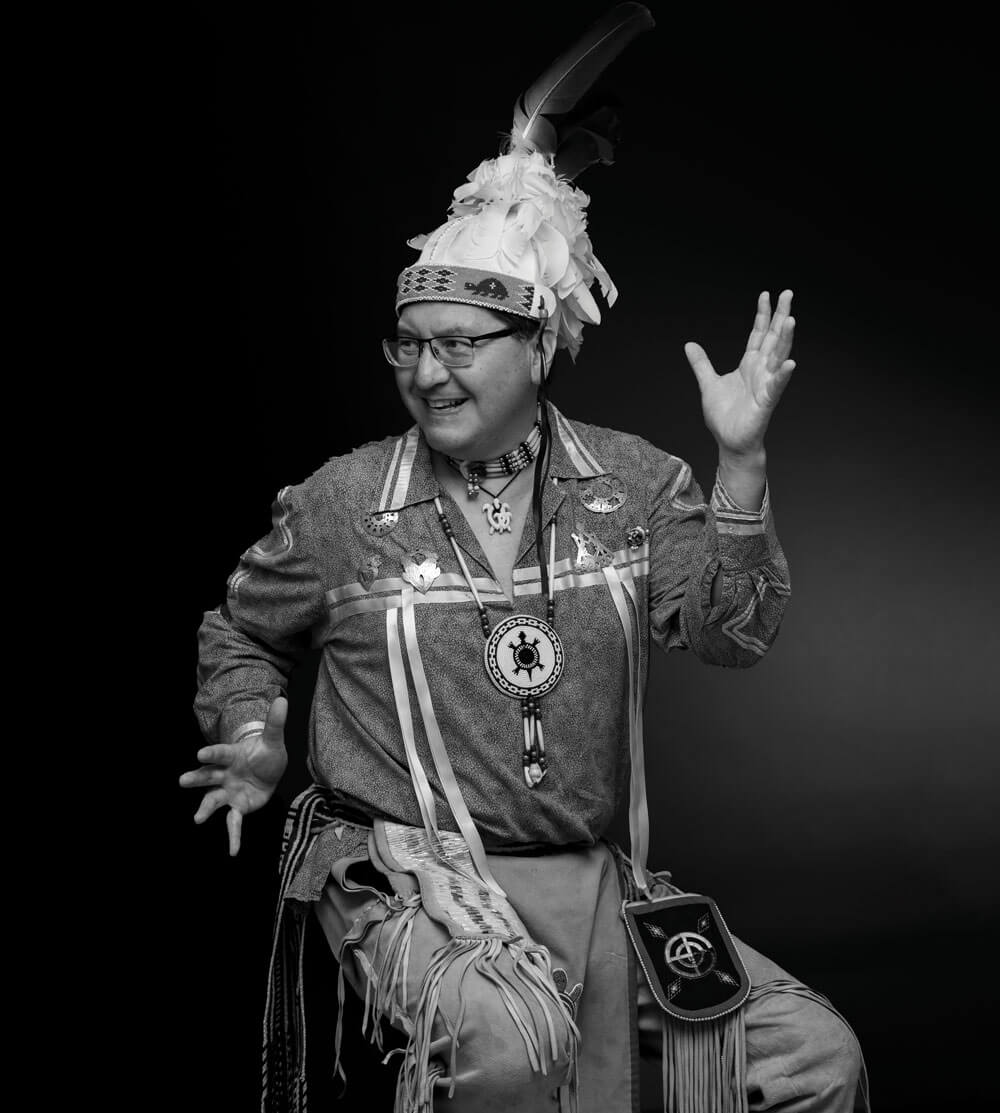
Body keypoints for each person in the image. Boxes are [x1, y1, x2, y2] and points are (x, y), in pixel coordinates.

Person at [182, 10, 869, 1112]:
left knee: (814, 1061)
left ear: (540, 343)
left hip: (598, 885)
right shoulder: (341, 502)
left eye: (461, 343)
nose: (426, 371)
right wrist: (254, 740)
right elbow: (243, 629)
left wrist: (738, 464)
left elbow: (730, 636)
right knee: (510, 1052)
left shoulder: (635, 484)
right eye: (410, 343)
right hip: (411, 878)